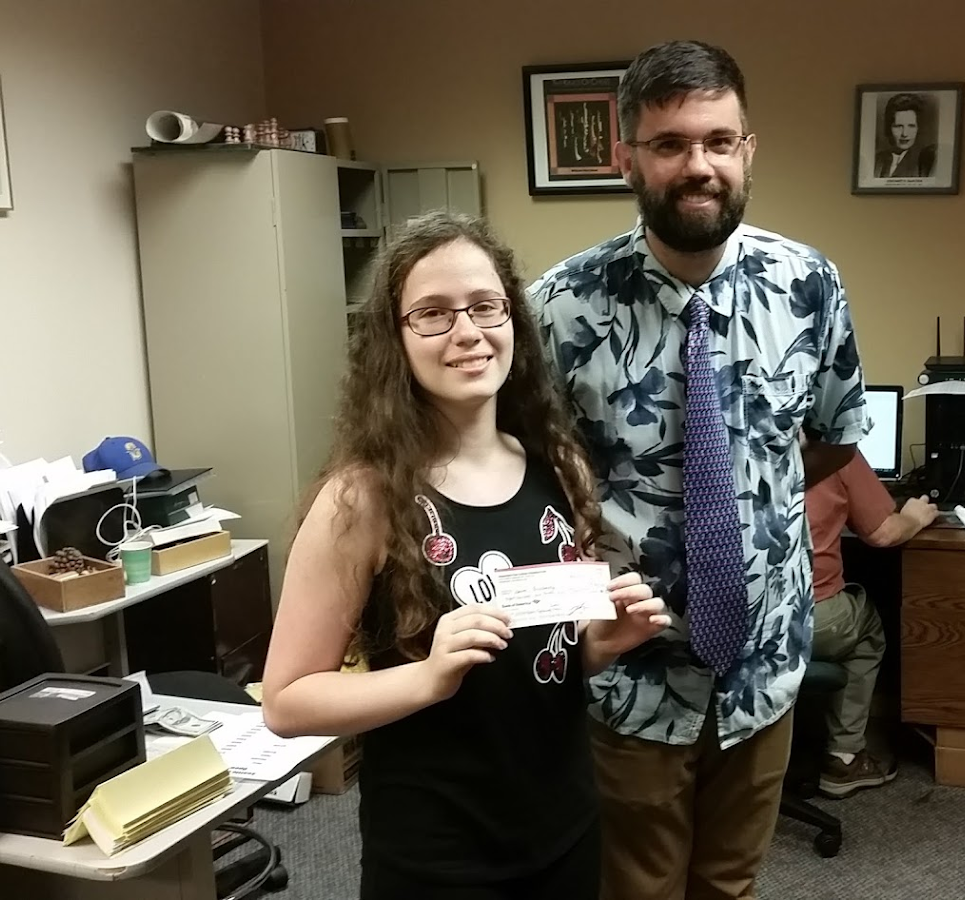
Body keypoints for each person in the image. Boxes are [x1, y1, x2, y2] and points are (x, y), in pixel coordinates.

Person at [528, 39, 868, 900]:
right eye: (671, 144)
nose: (699, 166)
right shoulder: (561, 307)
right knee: (635, 887)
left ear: (748, 149)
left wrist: (749, 500)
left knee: (730, 884)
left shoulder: (809, 285)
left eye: (719, 141)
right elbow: (527, 478)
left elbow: (832, 438)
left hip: (764, 658)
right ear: (626, 157)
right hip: (630, 668)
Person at [258, 211, 670, 900]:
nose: (468, 332)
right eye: (433, 314)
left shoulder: (560, 465)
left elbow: (551, 658)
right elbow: (286, 701)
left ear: (513, 320)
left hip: (564, 829)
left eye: (485, 306)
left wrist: (602, 642)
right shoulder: (361, 500)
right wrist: (427, 677)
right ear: (395, 339)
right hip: (437, 858)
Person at [803, 448, 938, 797]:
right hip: (806, 617)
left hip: (719, 618)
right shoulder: (833, 450)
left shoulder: (711, 440)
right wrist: (914, 517)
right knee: (867, 627)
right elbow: (882, 533)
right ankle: (844, 756)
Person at [874, 92, 936, 178]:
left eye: (911, 126)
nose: (904, 134)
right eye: (898, 126)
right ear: (889, 127)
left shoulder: (926, 160)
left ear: (918, 128)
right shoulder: (877, 160)